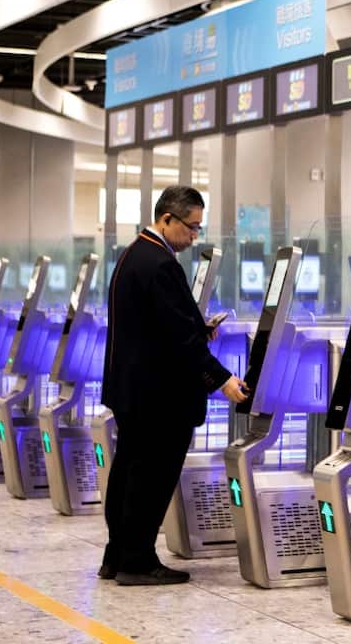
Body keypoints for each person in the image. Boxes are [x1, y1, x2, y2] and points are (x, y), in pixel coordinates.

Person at [99, 185, 249, 586]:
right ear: (167, 218)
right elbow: (177, 341)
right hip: (157, 397)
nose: (194, 236)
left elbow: (158, 326)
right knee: (150, 478)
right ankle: (137, 562)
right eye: (192, 227)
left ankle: (117, 555)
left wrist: (197, 329)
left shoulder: (134, 255)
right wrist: (222, 380)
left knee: (129, 472)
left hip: (132, 390)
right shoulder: (161, 264)